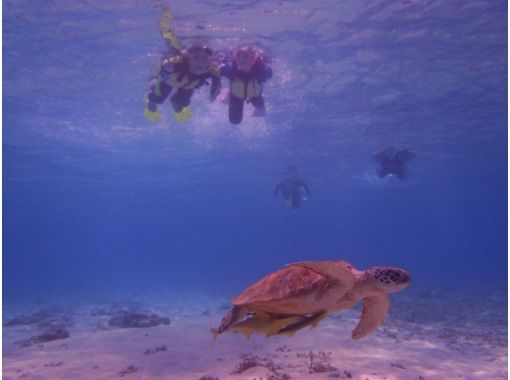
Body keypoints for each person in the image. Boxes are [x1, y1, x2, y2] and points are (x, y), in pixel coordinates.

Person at [144, 8, 220, 122]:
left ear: (210, 60)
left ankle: (178, 110)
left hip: (187, 86)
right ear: (188, 57)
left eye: (204, 58)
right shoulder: (176, 62)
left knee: (178, 103)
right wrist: (166, 71)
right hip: (168, 81)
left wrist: (213, 94)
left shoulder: (212, 68)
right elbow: (160, 70)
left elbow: (216, 82)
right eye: (195, 57)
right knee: (155, 101)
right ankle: (150, 108)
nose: (200, 62)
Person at [220, 46, 272, 124]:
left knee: (261, 111)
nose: (242, 59)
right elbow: (219, 70)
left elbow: (269, 73)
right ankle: (228, 92)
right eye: (239, 56)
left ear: (253, 59)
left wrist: (263, 69)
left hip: (255, 95)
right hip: (235, 95)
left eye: (246, 56)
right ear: (235, 58)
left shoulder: (259, 69)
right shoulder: (231, 68)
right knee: (235, 121)